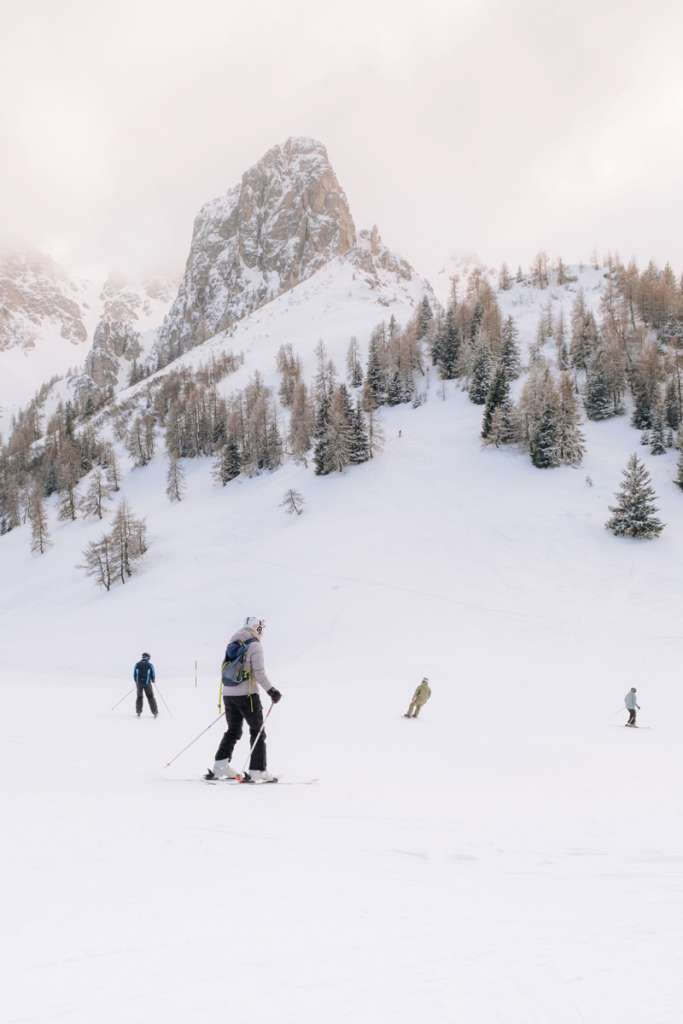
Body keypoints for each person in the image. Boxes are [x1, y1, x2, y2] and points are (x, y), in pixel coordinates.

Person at [205, 617, 282, 782]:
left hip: (228, 694)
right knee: (257, 731)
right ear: (256, 628)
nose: (262, 632)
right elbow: (259, 673)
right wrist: (272, 691)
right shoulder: (255, 645)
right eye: (261, 628)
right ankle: (257, 770)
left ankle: (220, 766)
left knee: (233, 730)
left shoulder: (233, 643)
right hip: (247, 695)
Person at [134, 652, 158, 718]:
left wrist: (137, 682)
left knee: (139, 697)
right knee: (150, 697)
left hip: (139, 684)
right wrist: (153, 680)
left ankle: (138, 712)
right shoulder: (150, 665)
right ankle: (155, 712)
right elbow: (152, 673)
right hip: (147, 684)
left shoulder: (137, 664)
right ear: (148, 658)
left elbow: (134, 674)